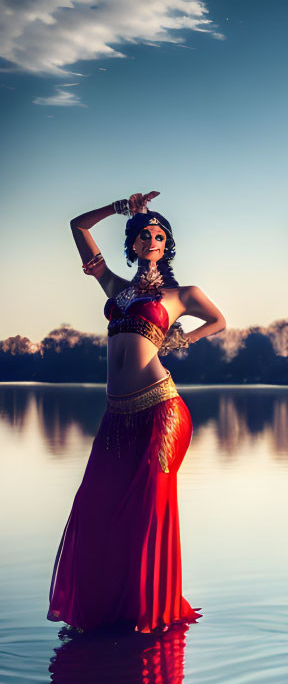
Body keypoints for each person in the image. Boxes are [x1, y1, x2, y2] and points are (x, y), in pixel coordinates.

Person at [49, 191, 225, 632]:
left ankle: (150, 610)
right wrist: (119, 208)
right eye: (145, 235)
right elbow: (78, 227)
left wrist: (180, 341)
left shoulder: (180, 293)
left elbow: (219, 321)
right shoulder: (116, 287)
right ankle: (112, 605)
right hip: (116, 416)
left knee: (149, 511)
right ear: (132, 244)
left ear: (168, 245)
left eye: (160, 235)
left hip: (161, 410)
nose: (152, 240)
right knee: (98, 505)